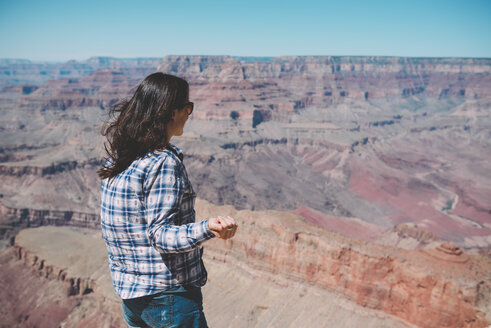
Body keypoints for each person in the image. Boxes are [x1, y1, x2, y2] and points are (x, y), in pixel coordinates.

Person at [98, 72, 237, 328]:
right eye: (187, 107)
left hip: (133, 299)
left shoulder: (119, 158)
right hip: (168, 299)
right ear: (169, 111)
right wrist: (208, 228)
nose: (189, 113)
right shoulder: (162, 162)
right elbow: (160, 235)